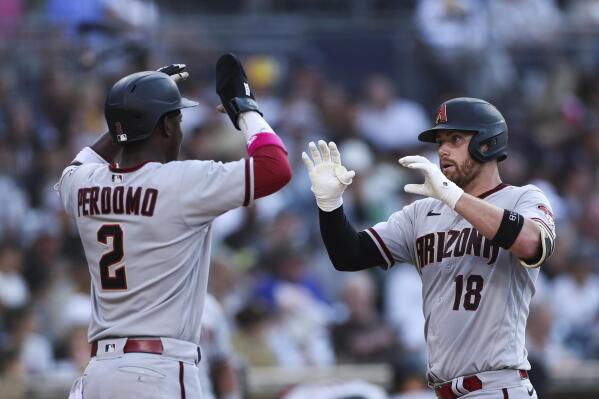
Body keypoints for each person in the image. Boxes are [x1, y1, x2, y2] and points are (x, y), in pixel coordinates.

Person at [56, 55, 291, 398]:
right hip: (158, 371)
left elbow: (79, 164)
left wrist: (129, 112)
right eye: (177, 118)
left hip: (98, 375)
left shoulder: (82, 184)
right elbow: (276, 167)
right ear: (166, 127)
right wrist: (245, 110)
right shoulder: (183, 182)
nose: (180, 128)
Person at [302, 97, 556, 399]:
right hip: (443, 390)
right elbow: (349, 255)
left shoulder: (522, 198)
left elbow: (532, 244)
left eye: (455, 139)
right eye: (440, 141)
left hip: (497, 386)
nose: (443, 150)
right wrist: (330, 206)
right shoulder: (422, 212)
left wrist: (454, 197)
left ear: (487, 144)